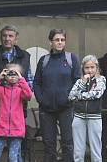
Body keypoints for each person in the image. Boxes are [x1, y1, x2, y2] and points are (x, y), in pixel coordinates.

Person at [0, 25, 33, 154]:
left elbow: (30, 83)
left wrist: (21, 100)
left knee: (15, 151)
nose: (7, 39)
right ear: (0, 37)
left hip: (16, 112)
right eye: (4, 36)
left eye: (10, 36)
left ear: (16, 39)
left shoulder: (25, 57)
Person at [34, 29, 79, 162]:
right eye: (57, 40)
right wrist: (41, 100)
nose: (60, 42)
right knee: (49, 144)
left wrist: (69, 98)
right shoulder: (44, 61)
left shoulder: (71, 59)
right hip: (46, 109)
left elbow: (77, 82)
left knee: (68, 143)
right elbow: (36, 82)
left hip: (66, 108)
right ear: (51, 42)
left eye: (62, 40)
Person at [0, 63, 33, 162]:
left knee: (13, 158)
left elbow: (28, 95)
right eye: (10, 73)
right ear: (5, 75)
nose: (12, 76)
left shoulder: (21, 91)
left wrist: (21, 79)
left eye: (15, 73)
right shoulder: (0, 90)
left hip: (17, 130)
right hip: (2, 129)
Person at [69, 55, 106, 162]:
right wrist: (83, 83)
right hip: (78, 116)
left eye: (92, 67)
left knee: (95, 149)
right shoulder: (79, 81)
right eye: (87, 68)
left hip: (94, 117)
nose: (90, 70)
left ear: (97, 68)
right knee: (78, 150)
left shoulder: (101, 80)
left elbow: (96, 94)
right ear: (83, 69)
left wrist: (80, 96)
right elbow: (71, 96)